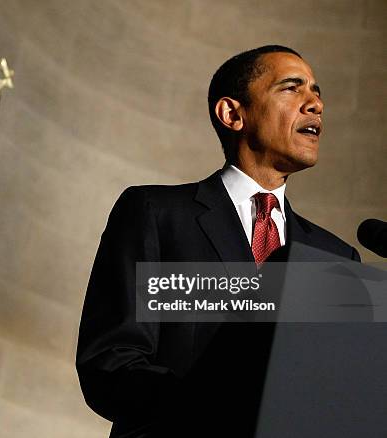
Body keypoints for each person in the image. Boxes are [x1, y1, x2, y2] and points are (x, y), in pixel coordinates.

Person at [76, 45, 360, 437]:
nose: (315, 104)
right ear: (233, 114)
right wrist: (217, 404)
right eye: (292, 88)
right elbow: (110, 362)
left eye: (317, 91)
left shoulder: (336, 256)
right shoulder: (155, 213)